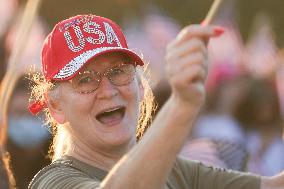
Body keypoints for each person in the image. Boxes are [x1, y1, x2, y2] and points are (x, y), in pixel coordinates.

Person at [28, 14, 283, 189]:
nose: (107, 91)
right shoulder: (55, 181)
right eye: (84, 80)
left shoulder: (178, 171)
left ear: (140, 86)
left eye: (118, 71)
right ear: (55, 106)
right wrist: (182, 105)